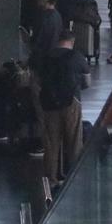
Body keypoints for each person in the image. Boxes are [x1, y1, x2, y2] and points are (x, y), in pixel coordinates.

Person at [39, 31, 89, 187]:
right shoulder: (77, 57)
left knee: (51, 143)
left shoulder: (45, 57)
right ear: (72, 42)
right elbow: (87, 82)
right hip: (72, 103)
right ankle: (74, 180)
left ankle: (50, 180)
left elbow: (39, 79)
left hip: (49, 104)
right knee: (74, 140)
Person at [29, 0, 63, 72]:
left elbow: (37, 41)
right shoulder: (57, 16)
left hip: (41, 60)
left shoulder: (42, 18)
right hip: (53, 59)